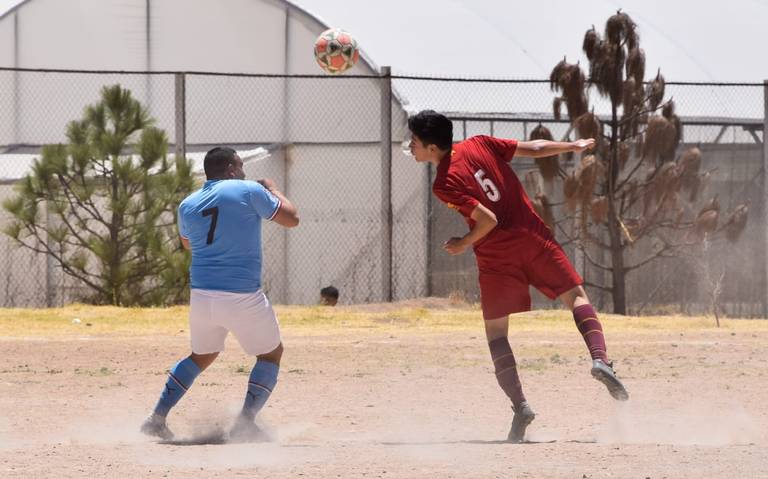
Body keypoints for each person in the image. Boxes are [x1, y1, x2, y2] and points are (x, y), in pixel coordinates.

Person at [406, 110, 628, 443]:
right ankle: (600, 360)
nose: (410, 146)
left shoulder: (443, 182)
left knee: (497, 334)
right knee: (576, 296)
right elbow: (536, 149)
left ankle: (520, 405)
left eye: (414, 142)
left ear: (432, 147)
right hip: (531, 236)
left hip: (496, 256)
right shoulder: (480, 142)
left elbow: (488, 219)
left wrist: (463, 243)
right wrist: (574, 145)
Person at [141, 147, 299, 441]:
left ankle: (156, 418)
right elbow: (291, 218)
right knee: (271, 354)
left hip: (202, 296)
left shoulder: (187, 204)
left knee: (201, 355)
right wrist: (274, 190)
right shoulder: (249, 190)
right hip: (241, 295)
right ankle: (246, 422)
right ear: (229, 168)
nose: (243, 172)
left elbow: (188, 245)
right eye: (240, 166)